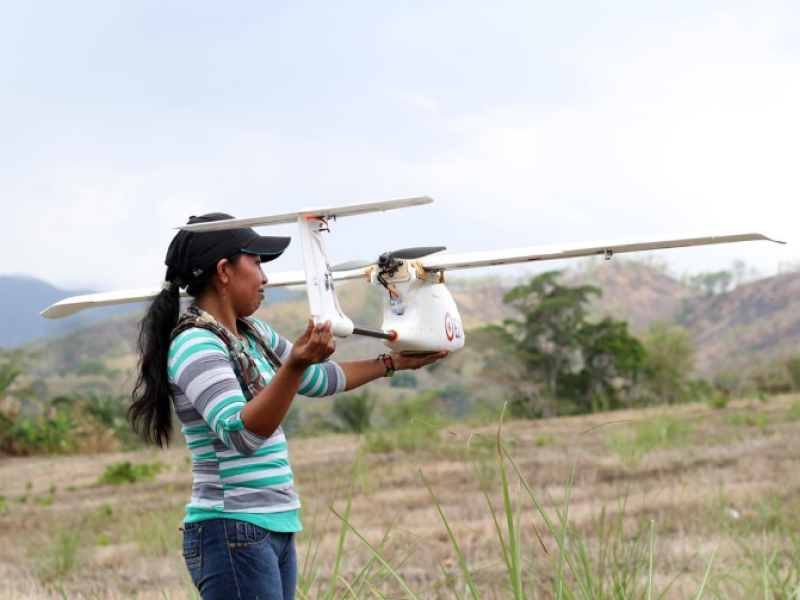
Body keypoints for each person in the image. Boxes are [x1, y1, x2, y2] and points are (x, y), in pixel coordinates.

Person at [128, 213, 448, 600]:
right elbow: (241, 433)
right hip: (232, 528)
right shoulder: (196, 343)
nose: (265, 278)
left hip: (272, 526)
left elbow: (316, 379)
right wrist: (295, 363)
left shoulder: (251, 333)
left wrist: (392, 363)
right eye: (257, 263)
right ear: (224, 271)